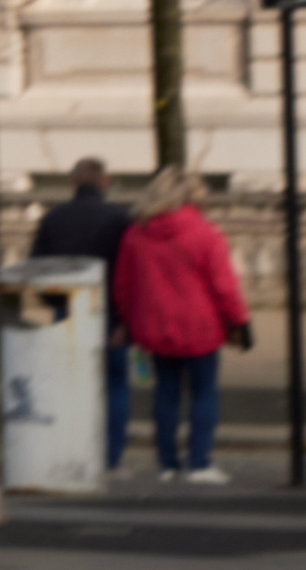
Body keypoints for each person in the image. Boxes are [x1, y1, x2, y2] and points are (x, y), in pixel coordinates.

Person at [113, 166, 254, 482]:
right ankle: (200, 462)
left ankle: (168, 463)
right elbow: (224, 285)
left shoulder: (136, 234)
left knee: (166, 393)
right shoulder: (206, 233)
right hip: (201, 326)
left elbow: (123, 285)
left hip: (155, 325)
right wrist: (239, 319)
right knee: (204, 393)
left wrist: (129, 318)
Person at [36, 158, 136, 467]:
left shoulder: (54, 217)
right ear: (105, 182)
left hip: (68, 310)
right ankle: (111, 455)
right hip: (110, 314)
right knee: (115, 386)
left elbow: (37, 266)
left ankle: (74, 448)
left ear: (73, 182)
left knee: (69, 387)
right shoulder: (121, 218)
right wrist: (126, 319)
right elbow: (131, 273)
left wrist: (54, 303)